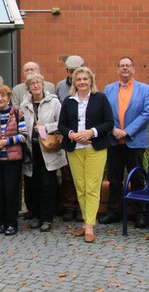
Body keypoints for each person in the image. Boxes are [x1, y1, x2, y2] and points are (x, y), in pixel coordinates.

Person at [59, 67, 114, 243]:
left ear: (91, 81)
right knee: (80, 187)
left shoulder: (101, 98)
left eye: (85, 79)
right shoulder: (68, 101)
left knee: (92, 187)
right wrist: (73, 135)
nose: (82, 82)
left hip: (95, 149)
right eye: (79, 79)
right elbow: (62, 125)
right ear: (74, 82)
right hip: (75, 149)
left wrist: (91, 132)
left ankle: (89, 225)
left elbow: (109, 123)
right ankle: (86, 220)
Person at [100, 56, 149, 229]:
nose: (125, 68)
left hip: (134, 141)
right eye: (122, 66)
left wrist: (127, 131)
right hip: (114, 140)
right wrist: (113, 129)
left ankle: (139, 214)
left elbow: (147, 114)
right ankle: (113, 212)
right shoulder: (108, 89)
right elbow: (104, 113)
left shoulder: (145, 89)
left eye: (128, 65)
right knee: (114, 179)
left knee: (137, 179)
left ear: (133, 69)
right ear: (117, 69)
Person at [20, 73, 67, 232]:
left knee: (47, 184)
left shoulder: (53, 102)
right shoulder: (24, 104)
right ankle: (36, 215)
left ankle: (47, 217)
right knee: (32, 184)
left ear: (43, 84)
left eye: (38, 82)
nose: (35, 85)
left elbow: (62, 122)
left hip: (48, 149)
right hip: (31, 149)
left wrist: (46, 128)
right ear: (28, 88)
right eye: (32, 83)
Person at [0, 85, 27, 236]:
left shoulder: (17, 113)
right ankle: (1, 222)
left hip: (12, 159)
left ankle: (12, 222)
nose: (0, 99)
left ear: (9, 98)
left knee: (11, 191)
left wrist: (7, 142)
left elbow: (24, 135)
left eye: (3, 96)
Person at [54, 55, 84, 222]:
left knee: (82, 175)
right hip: (67, 135)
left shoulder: (88, 84)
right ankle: (69, 206)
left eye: (77, 70)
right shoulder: (60, 86)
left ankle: (81, 207)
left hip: (84, 137)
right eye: (71, 71)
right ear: (67, 71)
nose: (74, 75)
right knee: (67, 174)